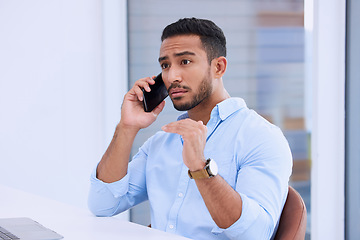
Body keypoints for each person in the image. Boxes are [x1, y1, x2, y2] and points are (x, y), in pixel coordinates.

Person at [88, 17, 292, 240]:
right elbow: (103, 204)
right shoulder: (161, 142)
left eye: (184, 62)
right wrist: (127, 126)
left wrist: (200, 167)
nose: (172, 76)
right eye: (165, 65)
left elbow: (255, 234)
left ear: (218, 67)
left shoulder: (260, 137)